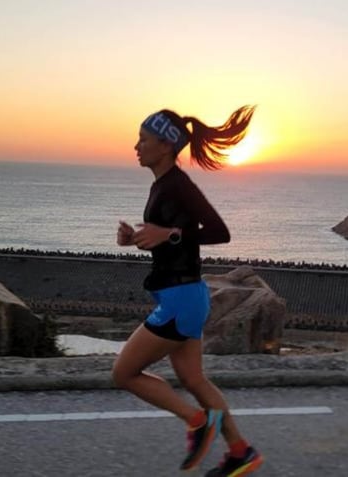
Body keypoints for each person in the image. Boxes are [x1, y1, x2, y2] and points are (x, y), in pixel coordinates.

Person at [111, 105, 263, 476]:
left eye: (143, 139)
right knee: (194, 379)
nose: (136, 146)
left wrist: (169, 234)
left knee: (124, 373)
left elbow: (219, 232)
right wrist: (138, 238)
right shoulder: (162, 185)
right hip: (183, 296)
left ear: (165, 145)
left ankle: (196, 421)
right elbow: (172, 238)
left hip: (182, 300)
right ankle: (241, 452)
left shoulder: (179, 185)